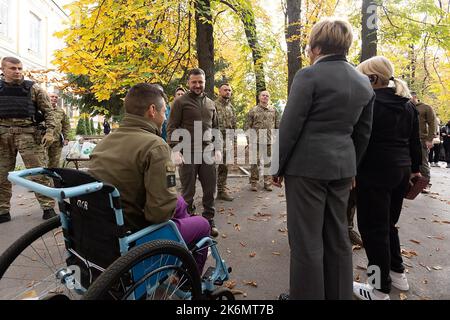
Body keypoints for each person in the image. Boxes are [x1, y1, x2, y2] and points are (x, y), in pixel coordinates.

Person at [272, 18, 374, 300]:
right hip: (342, 168)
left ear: (316, 47)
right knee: (337, 236)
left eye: (308, 46)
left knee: (306, 240)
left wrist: (277, 166)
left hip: (306, 169)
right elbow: (363, 134)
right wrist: (352, 167)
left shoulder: (308, 76)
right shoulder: (363, 81)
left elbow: (290, 126)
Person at [89, 83, 210, 274]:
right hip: (135, 232)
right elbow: (158, 214)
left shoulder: (105, 141)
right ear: (152, 110)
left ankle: (181, 248)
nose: (165, 117)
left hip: (102, 222)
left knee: (180, 203)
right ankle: (188, 282)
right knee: (202, 224)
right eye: (164, 111)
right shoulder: (156, 146)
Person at [353, 56, 422, 300]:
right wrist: (415, 169)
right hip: (401, 172)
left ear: (372, 78)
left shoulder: (368, 104)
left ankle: (378, 288)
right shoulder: (407, 104)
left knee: (372, 230)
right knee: (388, 225)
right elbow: (416, 142)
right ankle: (398, 273)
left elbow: (359, 139)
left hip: (374, 172)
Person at [0, 56, 57, 224]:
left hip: (29, 135)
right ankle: (3, 210)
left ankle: (48, 208)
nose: (17, 71)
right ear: (3, 70)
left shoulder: (34, 89)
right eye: (12, 68)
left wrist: (51, 132)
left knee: (39, 173)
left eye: (19, 68)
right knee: (1, 175)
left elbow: (49, 112)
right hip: (2, 135)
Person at [167, 68, 221, 238]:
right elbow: (172, 127)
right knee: (188, 191)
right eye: (194, 82)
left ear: (204, 82)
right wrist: (175, 150)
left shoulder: (211, 103)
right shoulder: (180, 102)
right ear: (189, 83)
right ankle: (187, 222)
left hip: (207, 152)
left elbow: (216, 128)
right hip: (187, 151)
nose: (197, 85)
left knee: (210, 189)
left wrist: (218, 148)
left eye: (200, 82)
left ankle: (208, 222)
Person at [245, 90, 279, 192]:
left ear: (269, 98)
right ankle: (254, 183)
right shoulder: (253, 110)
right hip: (256, 141)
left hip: (269, 141)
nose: (265, 97)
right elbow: (247, 126)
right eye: (263, 95)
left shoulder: (274, 110)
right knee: (255, 163)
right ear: (259, 97)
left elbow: (278, 125)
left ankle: (268, 183)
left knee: (268, 163)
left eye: (267, 96)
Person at [410, 92, 436, 191]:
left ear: (415, 97)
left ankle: (426, 184)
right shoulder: (406, 106)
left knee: (423, 162)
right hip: (408, 139)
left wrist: (430, 139)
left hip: (421, 139)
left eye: (409, 96)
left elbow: (432, 123)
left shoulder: (425, 107)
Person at [215, 83, 237, 201]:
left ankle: (221, 191)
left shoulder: (231, 108)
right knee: (211, 167)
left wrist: (233, 141)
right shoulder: (213, 105)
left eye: (229, 90)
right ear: (219, 91)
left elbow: (234, 125)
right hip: (215, 141)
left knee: (224, 167)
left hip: (227, 141)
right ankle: (208, 193)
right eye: (225, 90)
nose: (227, 92)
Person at [47, 93, 70, 168]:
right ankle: (42, 178)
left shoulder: (61, 111)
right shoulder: (42, 109)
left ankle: (54, 178)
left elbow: (66, 125)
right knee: (42, 161)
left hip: (57, 141)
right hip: (43, 140)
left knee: (55, 162)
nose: (54, 98)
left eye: (56, 97)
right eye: (52, 96)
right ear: (47, 97)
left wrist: (66, 138)